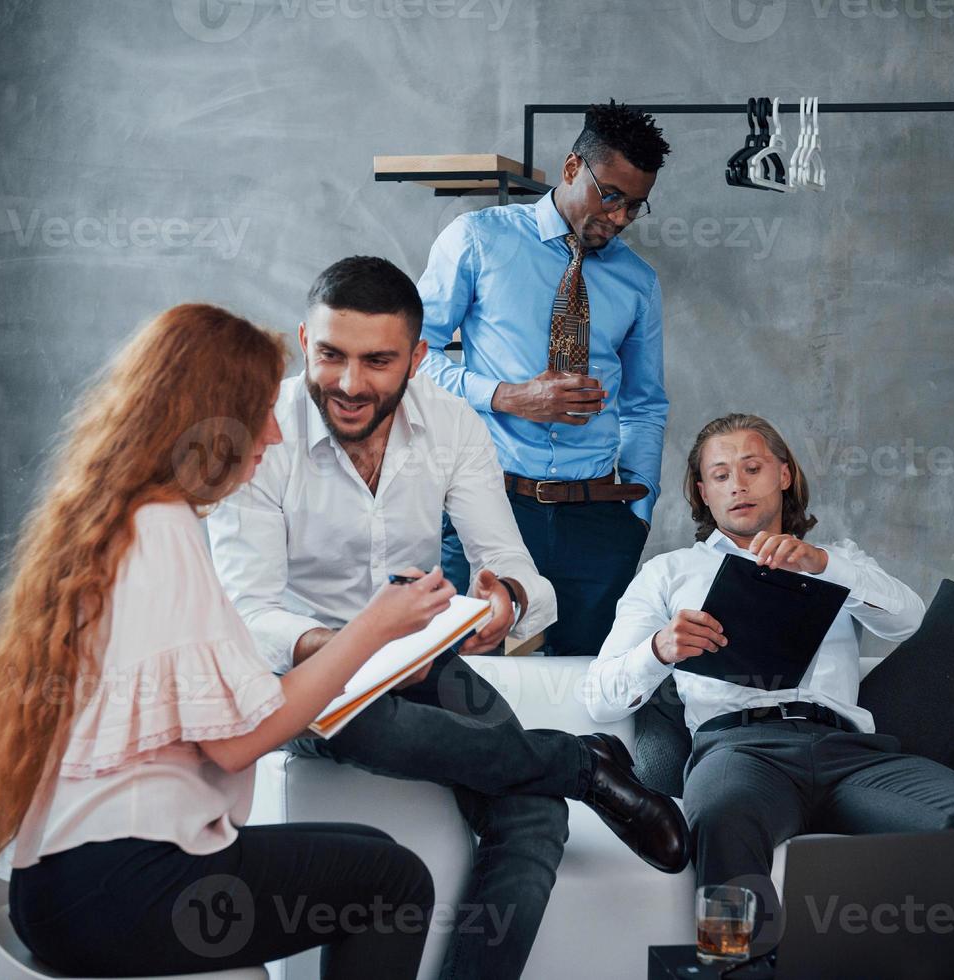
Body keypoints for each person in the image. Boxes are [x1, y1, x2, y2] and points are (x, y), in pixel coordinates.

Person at [208, 256, 689, 980]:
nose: (348, 383)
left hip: (424, 662)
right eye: (330, 355)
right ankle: (579, 761)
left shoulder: (451, 422)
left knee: (534, 814)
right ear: (304, 341)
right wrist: (350, 642)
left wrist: (505, 605)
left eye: (377, 361)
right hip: (302, 676)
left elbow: (516, 571)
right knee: (371, 723)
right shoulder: (260, 435)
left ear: (417, 357)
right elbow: (247, 614)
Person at [0, 304, 438, 979]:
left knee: (369, 850)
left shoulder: (120, 518)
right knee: (394, 882)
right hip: (125, 892)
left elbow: (218, 713)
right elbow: (238, 741)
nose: (273, 434)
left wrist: (366, 645)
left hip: (67, 888)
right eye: (260, 412)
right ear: (212, 419)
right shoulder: (162, 531)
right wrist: (375, 629)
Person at [586, 413, 954, 936]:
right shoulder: (669, 572)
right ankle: (736, 971)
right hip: (739, 752)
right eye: (721, 475)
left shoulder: (837, 560)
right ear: (703, 493)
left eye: (753, 468)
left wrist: (822, 566)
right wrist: (659, 650)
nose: (739, 485)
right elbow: (599, 698)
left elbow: (909, 621)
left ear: (785, 475)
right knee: (722, 819)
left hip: (850, 756)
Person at [418, 100, 671, 657]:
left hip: (597, 524)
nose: (621, 216)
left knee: (586, 692)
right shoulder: (479, 240)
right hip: (488, 506)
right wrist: (506, 396)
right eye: (610, 195)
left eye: (635, 205)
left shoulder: (638, 281)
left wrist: (638, 508)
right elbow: (412, 356)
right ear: (571, 167)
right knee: (468, 688)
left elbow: (646, 404)